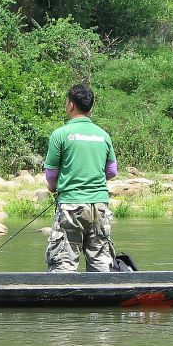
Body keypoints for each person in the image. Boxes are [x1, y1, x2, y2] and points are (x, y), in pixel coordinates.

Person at [44, 83, 118, 272]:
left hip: (71, 205)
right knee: (101, 261)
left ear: (70, 105)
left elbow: (51, 173)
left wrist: (53, 187)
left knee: (64, 263)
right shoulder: (103, 135)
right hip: (100, 206)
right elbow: (112, 171)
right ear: (90, 107)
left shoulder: (60, 134)